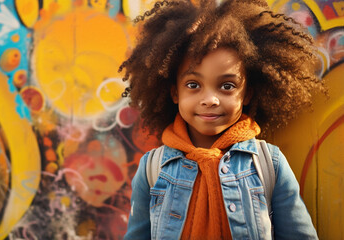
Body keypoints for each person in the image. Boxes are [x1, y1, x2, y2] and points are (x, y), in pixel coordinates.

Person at [119, 0, 325, 239]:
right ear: (175, 92)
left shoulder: (269, 164)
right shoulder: (152, 169)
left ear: (247, 92)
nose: (210, 100)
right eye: (193, 85)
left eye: (227, 86)